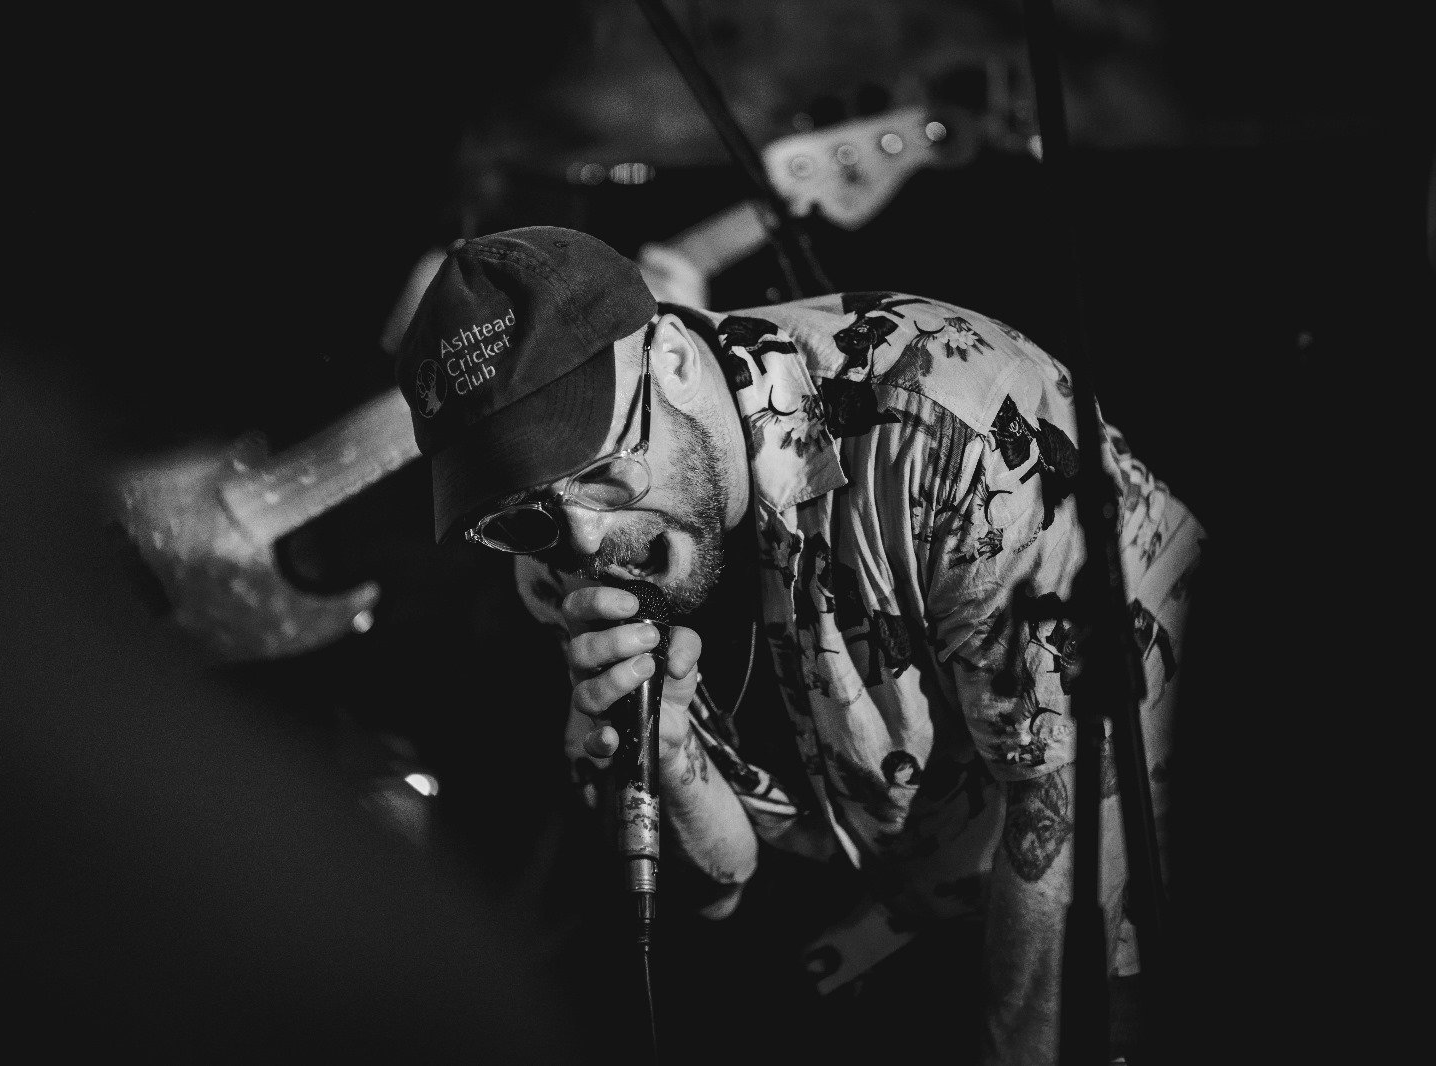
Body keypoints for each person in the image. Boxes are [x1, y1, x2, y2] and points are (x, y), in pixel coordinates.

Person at [393, 226, 1204, 1064]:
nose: (587, 540)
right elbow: (723, 883)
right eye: (528, 515)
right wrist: (667, 759)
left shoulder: (947, 429)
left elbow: (1074, 796)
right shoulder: (554, 559)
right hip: (920, 904)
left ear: (673, 360)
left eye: (603, 472)